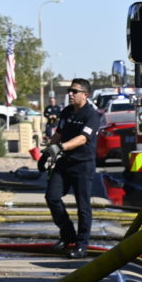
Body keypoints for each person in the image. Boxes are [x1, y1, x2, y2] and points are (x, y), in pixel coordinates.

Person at [38, 79, 102, 258]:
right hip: (64, 162)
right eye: (69, 91)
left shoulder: (92, 115)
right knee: (52, 197)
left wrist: (61, 147)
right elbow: (59, 133)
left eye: (75, 91)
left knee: (83, 206)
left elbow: (83, 138)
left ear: (85, 95)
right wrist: (46, 153)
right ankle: (68, 236)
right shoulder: (66, 111)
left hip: (83, 165)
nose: (71, 94)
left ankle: (81, 245)